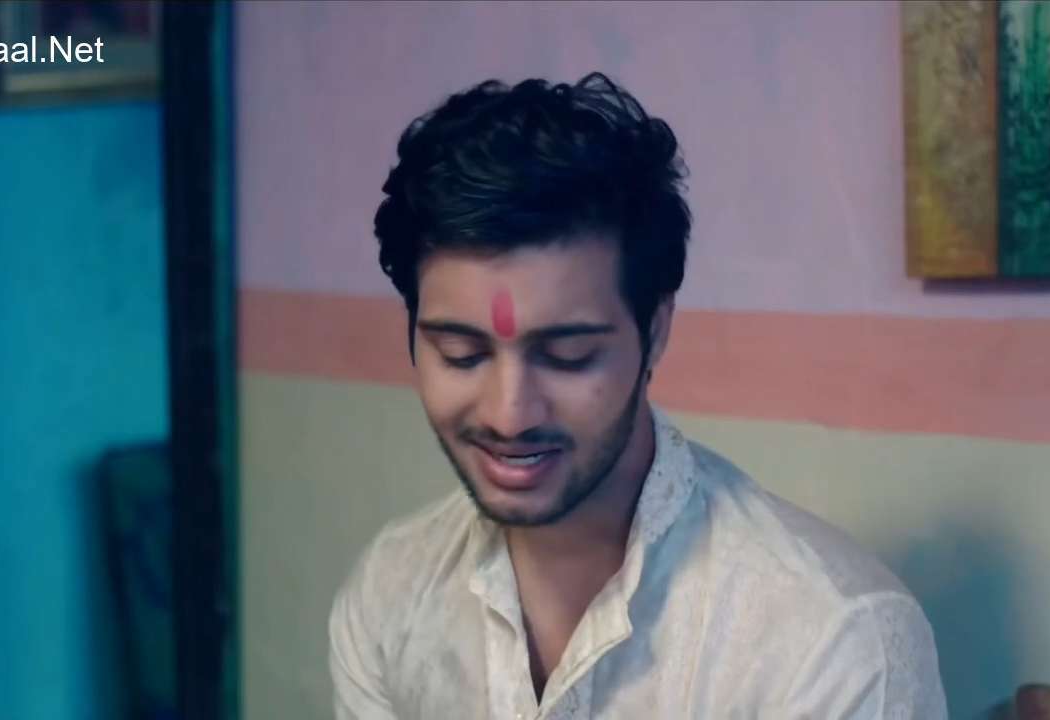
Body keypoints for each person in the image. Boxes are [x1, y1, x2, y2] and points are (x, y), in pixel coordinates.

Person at [329, 72, 948, 719]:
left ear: (654, 332)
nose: (510, 414)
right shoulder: (391, 594)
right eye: (462, 354)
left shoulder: (830, 642)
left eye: (568, 356)